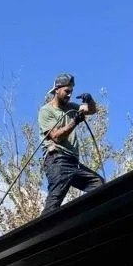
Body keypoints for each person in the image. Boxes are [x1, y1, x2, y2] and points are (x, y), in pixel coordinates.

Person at [38, 73, 105, 214]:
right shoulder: (46, 111)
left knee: (98, 184)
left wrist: (90, 100)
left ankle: (86, 218)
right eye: (66, 91)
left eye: (71, 92)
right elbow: (56, 137)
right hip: (57, 160)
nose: (69, 95)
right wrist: (75, 121)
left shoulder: (71, 107)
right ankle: (43, 232)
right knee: (54, 202)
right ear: (57, 89)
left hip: (73, 161)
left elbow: (91, 110)